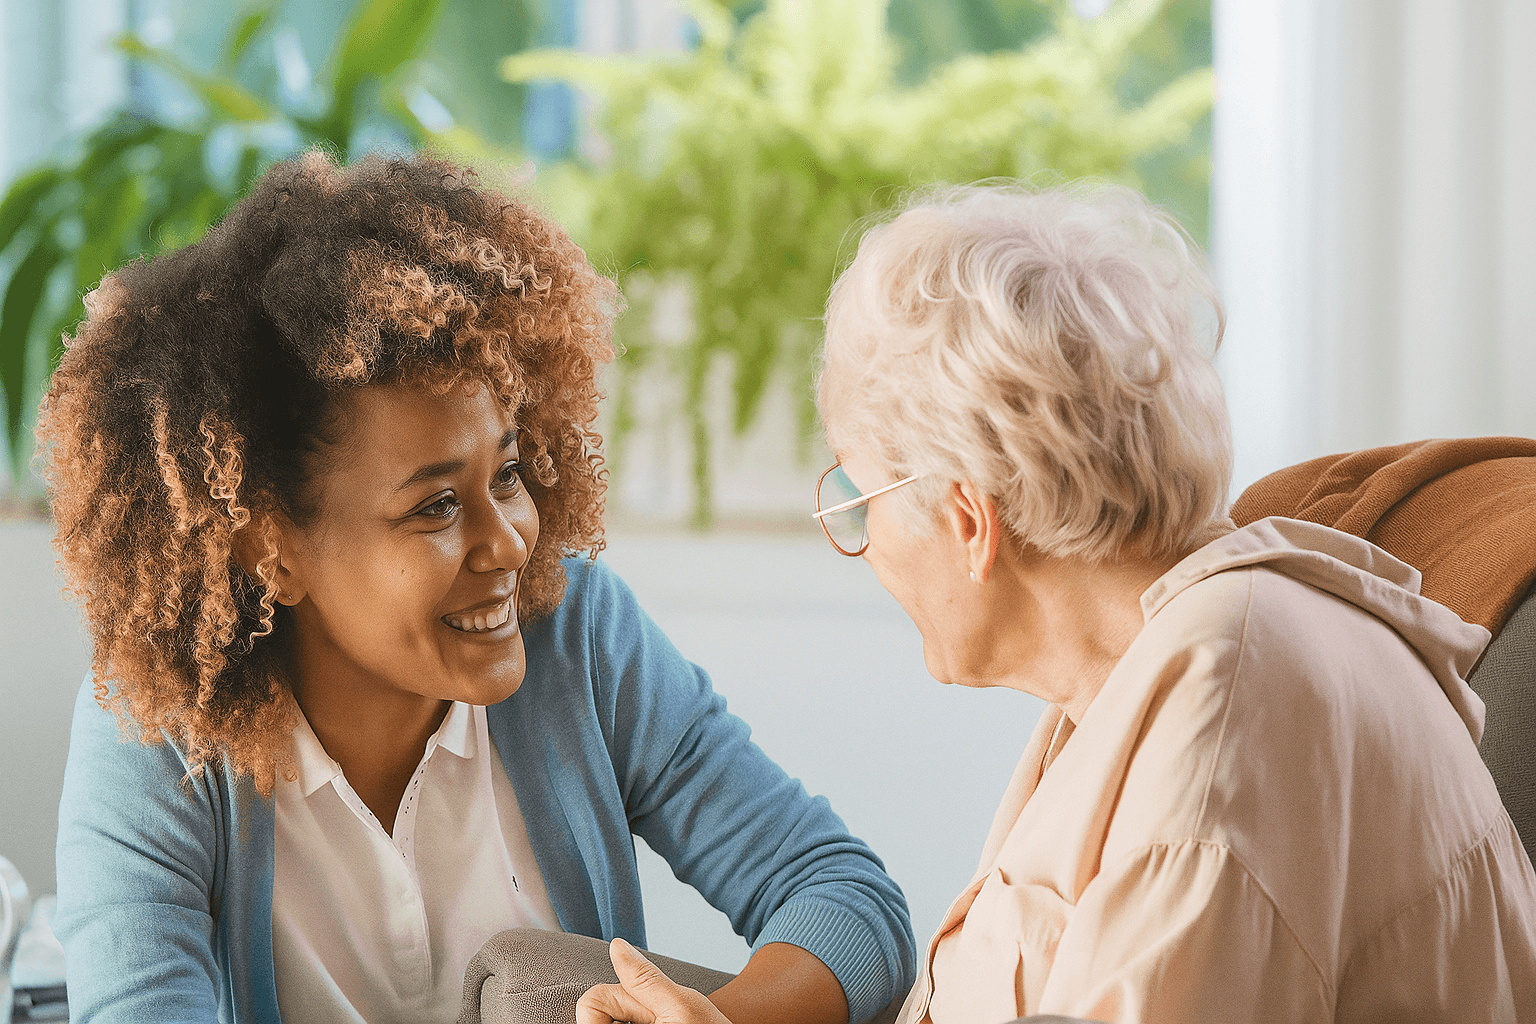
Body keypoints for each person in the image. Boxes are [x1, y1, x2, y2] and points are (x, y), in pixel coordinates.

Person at [584, 181, 1536, 1023]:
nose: (863, 550)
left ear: (968, 520)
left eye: (861, 502)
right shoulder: (1138, 680)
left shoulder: (1224, 704)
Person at [38, 151, 914, 1024]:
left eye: (506, 475)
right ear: (273, 550)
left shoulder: (578, 635)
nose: (510, 543)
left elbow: (844, 899)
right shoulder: (158, 735)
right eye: (435, 507)